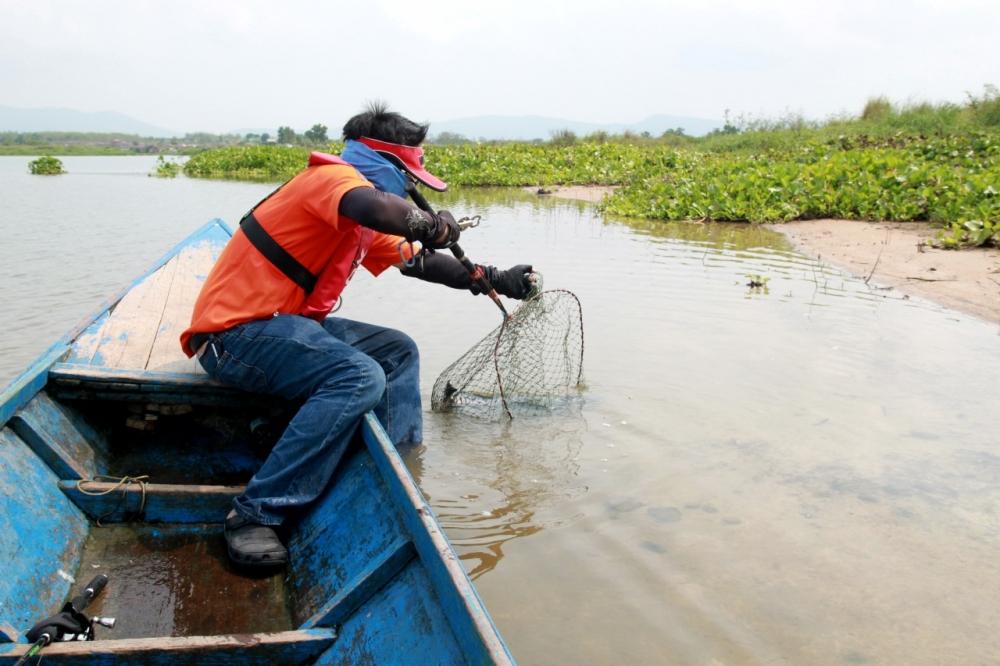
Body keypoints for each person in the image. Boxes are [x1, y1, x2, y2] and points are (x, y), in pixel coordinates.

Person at [180, 103, 534, 570]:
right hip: (234, 337)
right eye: (405, 178)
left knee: (397, 351)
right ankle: (255, 513)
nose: (408, 189)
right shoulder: (330, 182)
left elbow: (418, 261)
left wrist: (491, 277)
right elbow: (377, 207)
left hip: (287, 326)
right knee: (359, 376)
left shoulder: (364, 217)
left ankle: (398, 471)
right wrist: (429, 224)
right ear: (377, 162)